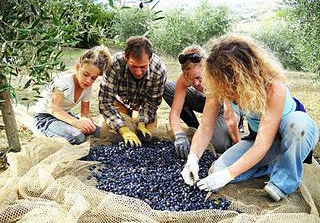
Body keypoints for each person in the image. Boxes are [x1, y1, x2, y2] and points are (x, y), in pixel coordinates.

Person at [181, 34, 319, 201]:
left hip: (294, 133)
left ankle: (283, 181)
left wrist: (230, 174)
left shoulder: (274, 85)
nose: (227, 93)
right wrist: (193, 158)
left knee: (297, 126)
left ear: (244, 77)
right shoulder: (219, 83)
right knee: (218, 170)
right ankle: (272, 164)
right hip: (262, 139)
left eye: (231, 87)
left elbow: (263, 143)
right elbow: (206, 126)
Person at [163, 45, 234, 159]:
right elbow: (174, 113)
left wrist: (237, 142)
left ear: (207, 68)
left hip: (226, 107)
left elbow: (230, 117)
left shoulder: (217, 75)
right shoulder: (184, 77)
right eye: (191, 79)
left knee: (219, 145)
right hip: (204, 101)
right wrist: (179, 134)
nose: (196, 84)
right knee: (167, 87)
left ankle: (208, 131)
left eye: (199, 78)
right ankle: (195, 128)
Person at [33, 45, 111, 144]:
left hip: (65, 116)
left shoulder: (87, 87)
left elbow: (85, 113)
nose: (88, 81)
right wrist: (76, 123)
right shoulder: (63, 82)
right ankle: (48, 131)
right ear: (78, 67)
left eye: (93, 78)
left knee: (100, 132)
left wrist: (87, 122)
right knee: (78, 137)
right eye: (86, 74)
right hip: (45, 117)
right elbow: (52, 108)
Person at [99, 36, 167, 147]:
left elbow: (151, 103)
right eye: (134, 66)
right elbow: (105, 103)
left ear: (149, 59)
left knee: (148, 138)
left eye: (143, 67)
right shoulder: (114, 65)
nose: (139, 72)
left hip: (142, 106)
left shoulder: (159, 70)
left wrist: (141, 124)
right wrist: (123, 129)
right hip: (120, 103)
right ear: (126, 58)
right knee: (108, 130)